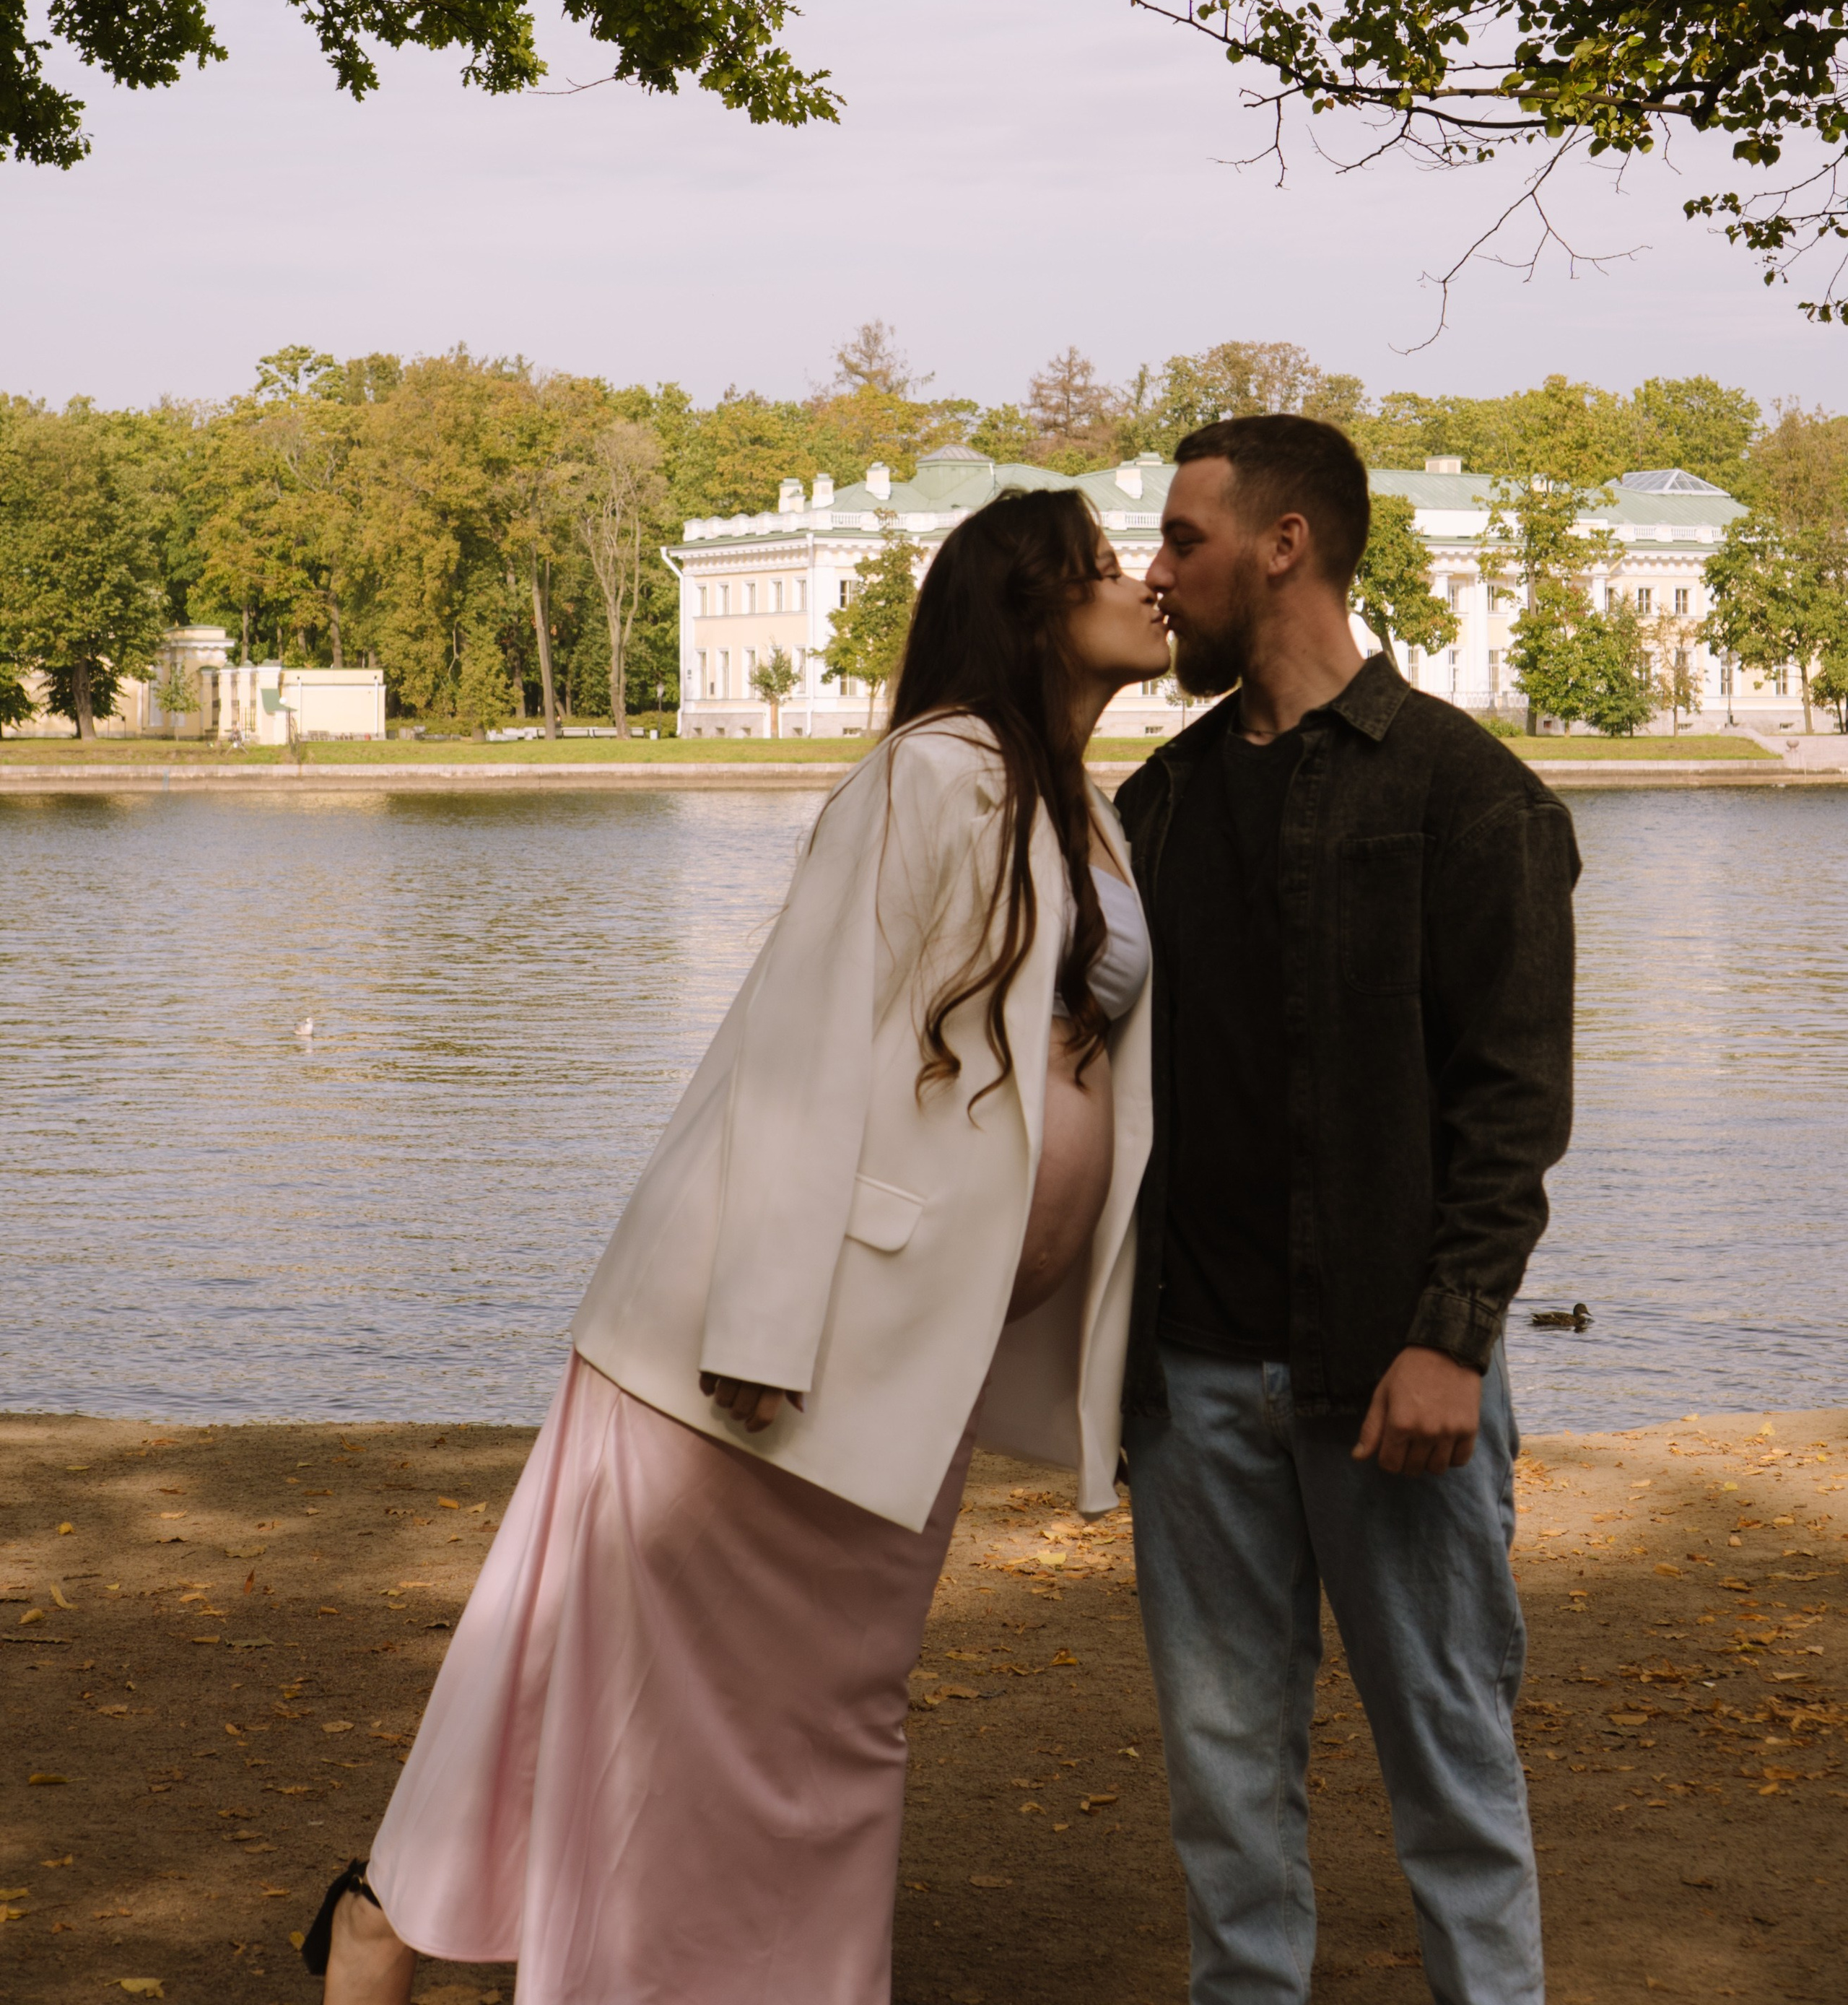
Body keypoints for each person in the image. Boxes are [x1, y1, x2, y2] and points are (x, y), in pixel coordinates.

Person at [302, 486, 1168, 2005]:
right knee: (736, 1717)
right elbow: (805, 1046)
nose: (1144, 583)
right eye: (1105, 567)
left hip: (920, 1353)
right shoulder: (931, 774)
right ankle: (445, 1922)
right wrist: (761, 1327)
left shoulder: (1078, 804)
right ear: (1031, 608)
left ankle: (397, 1911)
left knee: (791, 1709)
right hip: (787, 1349)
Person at [1114, 414, 1578, 2005]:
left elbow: (1511, 1104)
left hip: (1394, 1381)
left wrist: (1451, 1338)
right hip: (1189, 1388)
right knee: (1224, 1795)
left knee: (1452, 1770)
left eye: (1182, 539)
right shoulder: (1158, 807)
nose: (1155, 574)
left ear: (1285, 544)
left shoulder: (1469, 796)